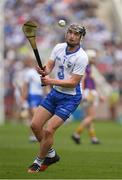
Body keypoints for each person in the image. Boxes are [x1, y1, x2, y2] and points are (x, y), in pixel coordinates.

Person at [27, 23, 88, 173]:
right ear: (66, 33)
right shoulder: (58, 47)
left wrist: (50, 81)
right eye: (70, 33)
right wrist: (44, 70)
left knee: (49, 130)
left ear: (81, 38)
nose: (72, 36)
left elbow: (73, 82)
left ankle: (38, 161)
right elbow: (49, 66)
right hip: (55, 93)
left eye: (76, 34)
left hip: (70, 98)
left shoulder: (82, 57)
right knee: (35, 125)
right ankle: (51, 154)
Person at [71, 49, 103, 145]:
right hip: (88, 93)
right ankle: (77, 133)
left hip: (88, 92)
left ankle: (93, 138)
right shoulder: (86, 67)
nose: (94, 59)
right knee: (91, 116)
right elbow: (83, 80)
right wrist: (84, 93)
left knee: (89, 116)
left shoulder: (89, 67)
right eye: (93, 58)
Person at [20, 57, 48, 142]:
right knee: (35, 115)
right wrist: (23, 97)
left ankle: (38, 135)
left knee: (39, 117)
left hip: (40, 96)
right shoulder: (30, 73)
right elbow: (25, 85)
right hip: (32, 96)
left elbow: (45, 86)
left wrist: (46, 95)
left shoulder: (44, 73)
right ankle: (33, 135)